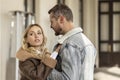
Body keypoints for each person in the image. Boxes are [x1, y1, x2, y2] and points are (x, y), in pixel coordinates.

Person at [47, 4, 96, 80]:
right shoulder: (87, 42)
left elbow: (67, 79)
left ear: (61, 19)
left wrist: (44, 69)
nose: (50, 26)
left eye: (52, 22)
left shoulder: (70, 44)